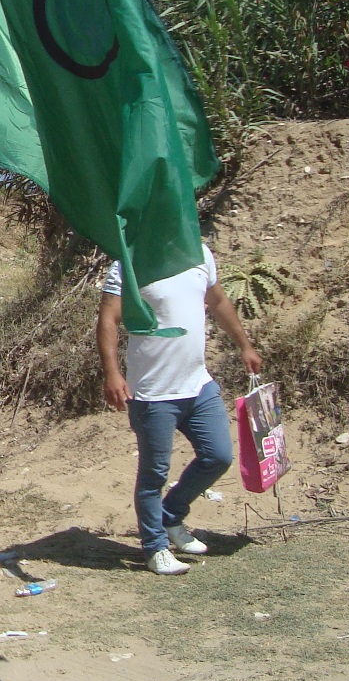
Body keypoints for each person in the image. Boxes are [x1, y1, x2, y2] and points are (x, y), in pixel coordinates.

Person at [97, 243, 261, 576]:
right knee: (153, 475)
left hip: (198, 384)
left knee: (218, 456)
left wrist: (245, 345)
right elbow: (109, 319)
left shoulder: (199, 253)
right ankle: (155, 547)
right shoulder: (129, 259)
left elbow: (218, 301)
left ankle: (170, 516)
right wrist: (112, 373)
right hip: (153, 394)